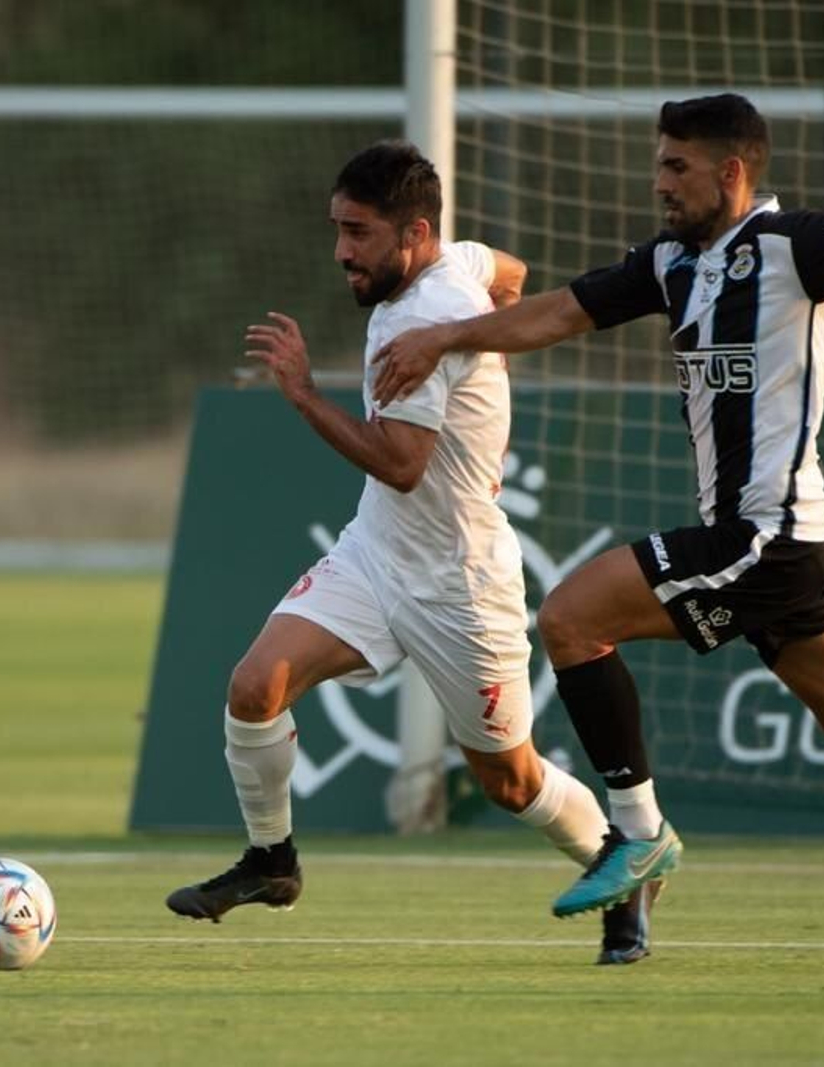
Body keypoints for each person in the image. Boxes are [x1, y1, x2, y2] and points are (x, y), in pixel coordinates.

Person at [369, 94, 824, 962]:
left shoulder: (792, 244)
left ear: (730, 171)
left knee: (571, 618)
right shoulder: (672, 262)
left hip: (765, 536)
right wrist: (448, 336)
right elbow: (555, 313)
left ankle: (638, 831)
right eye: (658, 163)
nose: (660, 182)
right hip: (778, 548)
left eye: (677, 166)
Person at [165, 141, 661, 965]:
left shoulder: (418, 323)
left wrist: (304, 395)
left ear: (413, 233)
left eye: (358, 232)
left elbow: (401, 465)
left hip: (460, 583)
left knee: (510, 781)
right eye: (339, 229)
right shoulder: (455, 263)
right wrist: (488, 361)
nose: (342, 251)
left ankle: (627, 868)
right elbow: (509, 270)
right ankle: (272, 860)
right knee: (255, 686)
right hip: (378, 552)